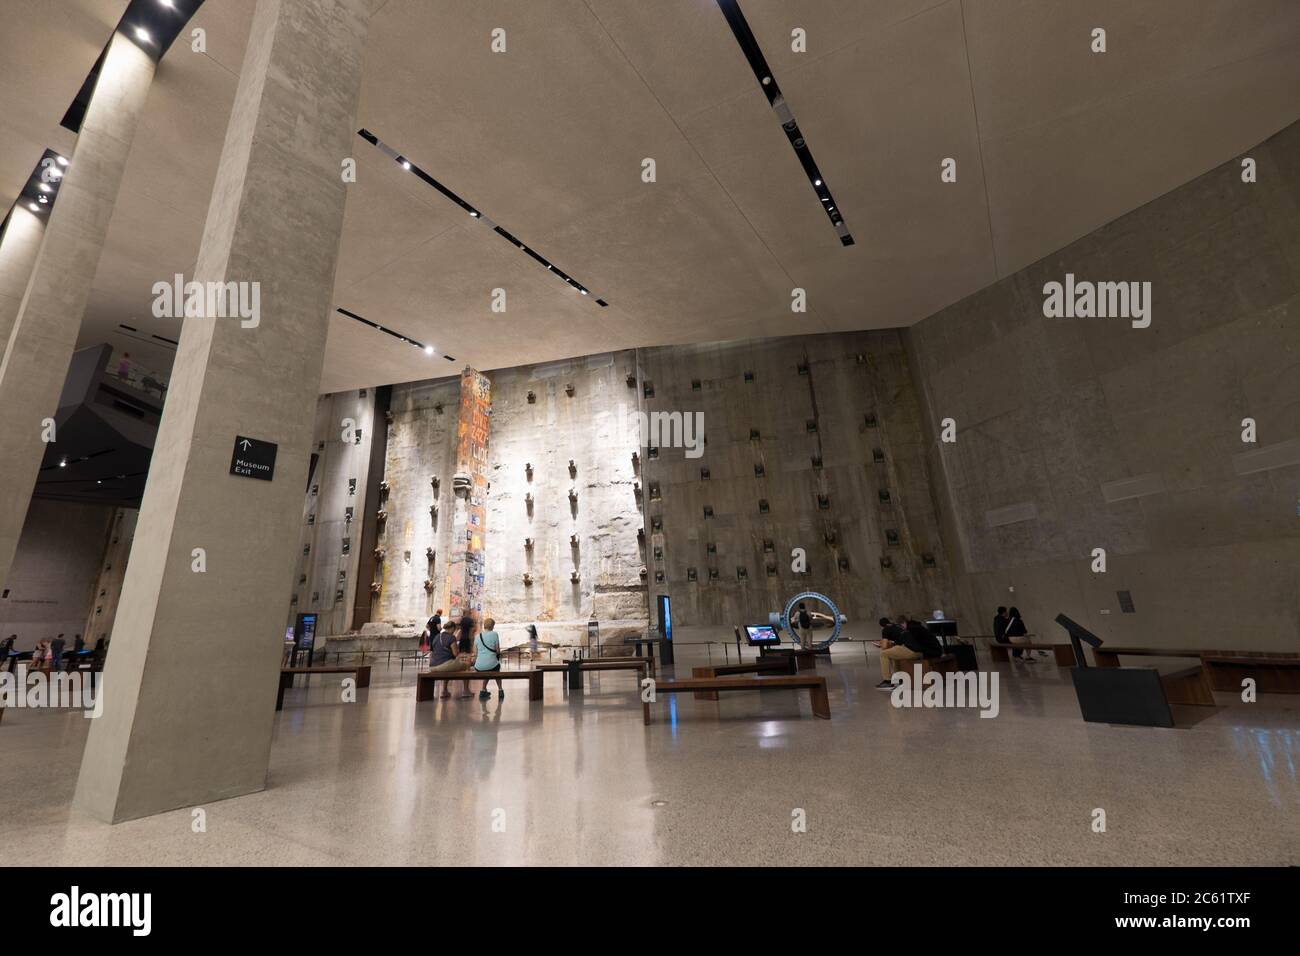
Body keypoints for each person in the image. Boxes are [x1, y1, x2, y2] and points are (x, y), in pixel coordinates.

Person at [875, 615, 942, 688]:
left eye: (901, 626)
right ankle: (899, 678)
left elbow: (909, 644)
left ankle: (887, 681)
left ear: (903, 623)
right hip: (927, 650)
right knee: (894, 654)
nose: (901, 628)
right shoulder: (915, 626)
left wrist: (888, 645)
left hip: (919, 651)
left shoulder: (910, 629)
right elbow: (907, 641)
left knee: (883, 654)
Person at [428, 620, 471, 698]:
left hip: (433, 665)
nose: (454, 631)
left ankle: (444, 690)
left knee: (449, 665)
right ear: (452, 628)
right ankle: (466, 690)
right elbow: (455, 654)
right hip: (443, 665)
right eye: (454, 629)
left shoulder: (437, 636)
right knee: (467, 665)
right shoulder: (451, 637)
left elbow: (434, 650)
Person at [474, 617, 504, 700]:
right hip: (491, 665)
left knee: (487, 669)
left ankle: (483, 690)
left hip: (479, 666)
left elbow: (475, 653)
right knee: (495, 669)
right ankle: (500, 689)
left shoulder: (477, 636)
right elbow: (498, 651)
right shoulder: (494, 634)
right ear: (493, 626)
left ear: (484, 625)